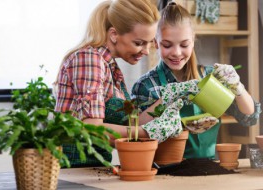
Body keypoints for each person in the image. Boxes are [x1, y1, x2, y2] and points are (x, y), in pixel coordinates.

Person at [54, 0, 200, 167]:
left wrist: (168, 98)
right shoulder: (89, 59)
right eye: (139, 43)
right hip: (72, 169)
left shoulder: (110, 67)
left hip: (93, 167)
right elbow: (91, 130)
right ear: (114, 35)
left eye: (149, 42)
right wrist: (147, 133)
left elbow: (131, 124)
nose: (146, 51)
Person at [132, 2, 261, 159]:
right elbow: (134, 131)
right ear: (155, 43)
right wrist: (167, 98)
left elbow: (249, 117)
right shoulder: (146, 85)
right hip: (164, 171)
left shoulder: (210, 78)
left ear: (193, 40)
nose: (176, 52)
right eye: (167, 45)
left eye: (184, 44)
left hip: (208, 169)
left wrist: (238, 87)